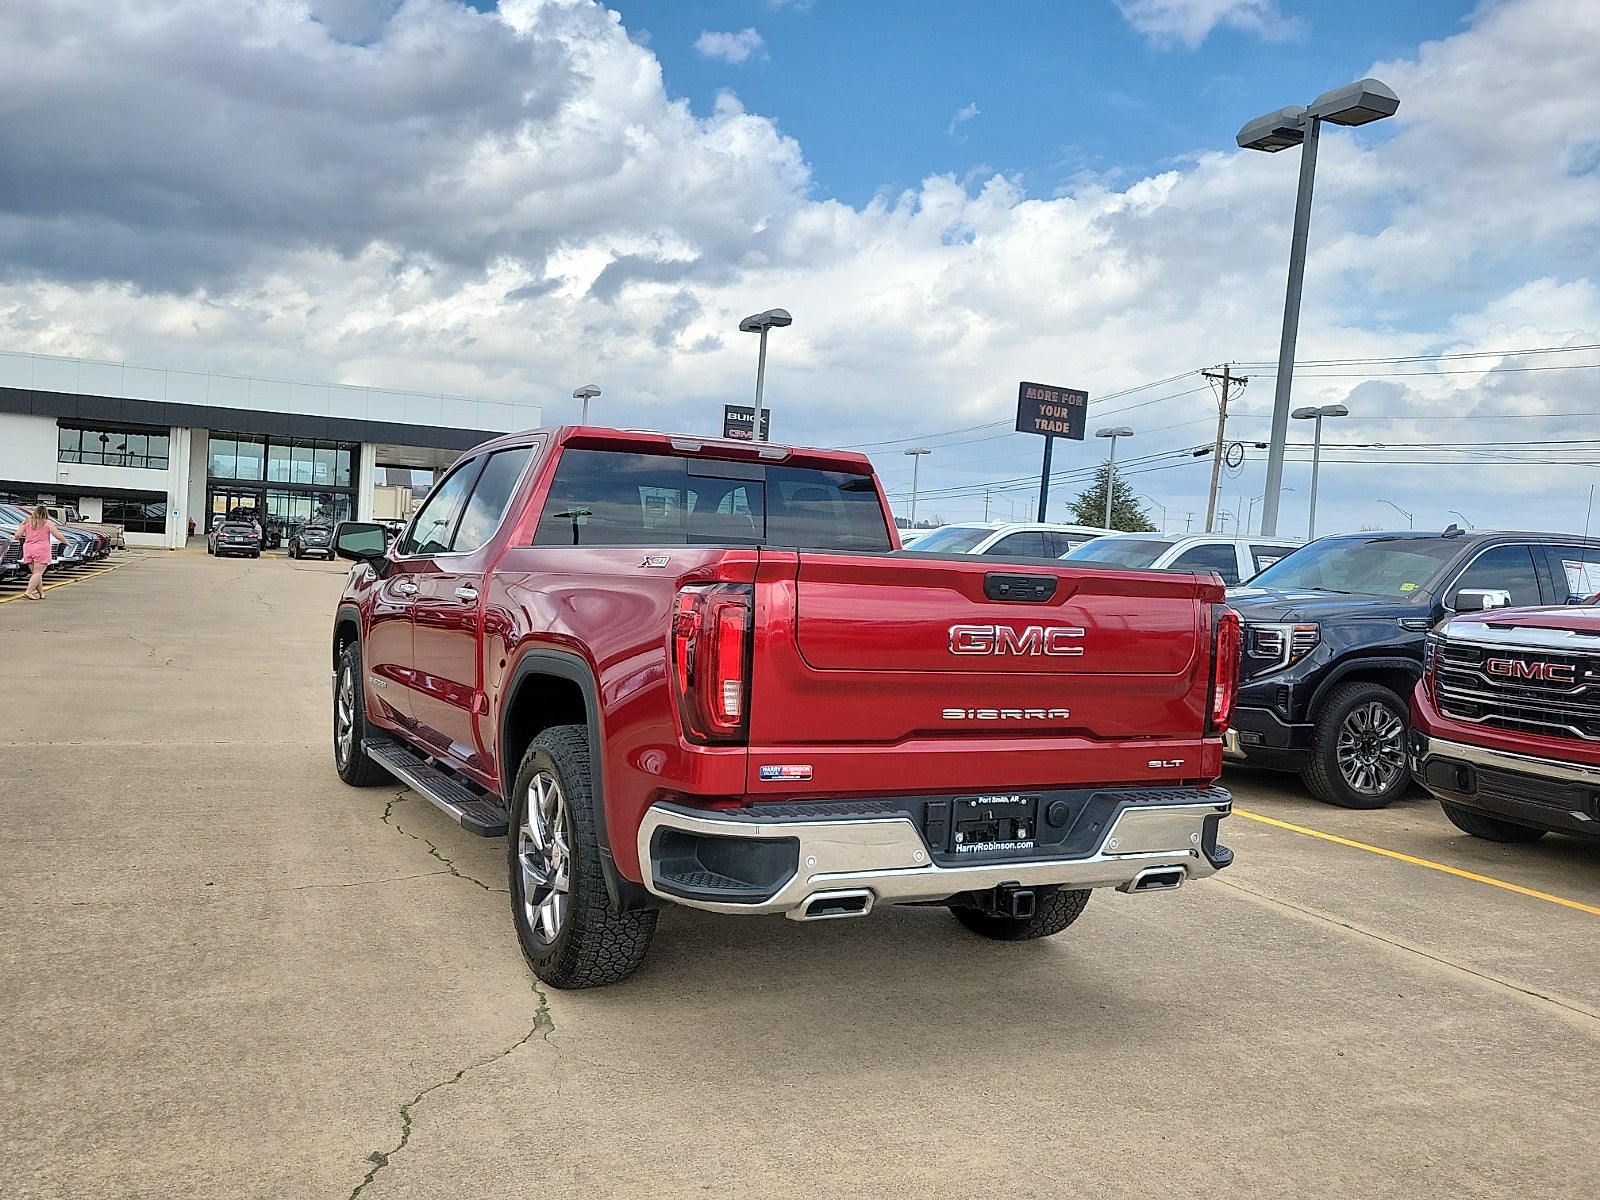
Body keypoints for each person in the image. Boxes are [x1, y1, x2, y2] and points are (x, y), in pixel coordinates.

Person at [21, 505, 61, 600]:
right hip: (41, 549)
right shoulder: (47, 523)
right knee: (38, 573)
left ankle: (41, 593)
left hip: (28, 548)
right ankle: (28, 592)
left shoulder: (27, 522)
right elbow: (58, 535)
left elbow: (18, 534)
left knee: (36, 574)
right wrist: (67, 543)